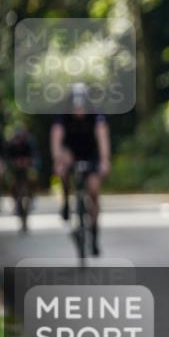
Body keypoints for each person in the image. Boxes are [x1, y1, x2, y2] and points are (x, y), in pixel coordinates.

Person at [51, 83, 111, 255]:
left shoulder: (96, 116)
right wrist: (57, 160)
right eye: (75, 107)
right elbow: (56, 137)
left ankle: (94, 234)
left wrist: (105, 160)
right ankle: (66, 201)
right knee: (63, 163)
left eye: (82, 107)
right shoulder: (63, 116)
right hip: (71, 153)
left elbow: (102, 137)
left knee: (93, 191)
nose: (79, 111)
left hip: (91, 154)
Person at [6, 124, 38, 231]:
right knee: (12, 183)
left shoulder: (28, 144)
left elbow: (33, 157)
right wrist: (14, 163)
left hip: (26, 169)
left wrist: (27, 162)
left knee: (33, 178)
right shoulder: (11, 145)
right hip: (15, 171)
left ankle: (32, 196)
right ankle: (14, 201)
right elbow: (7, 159)